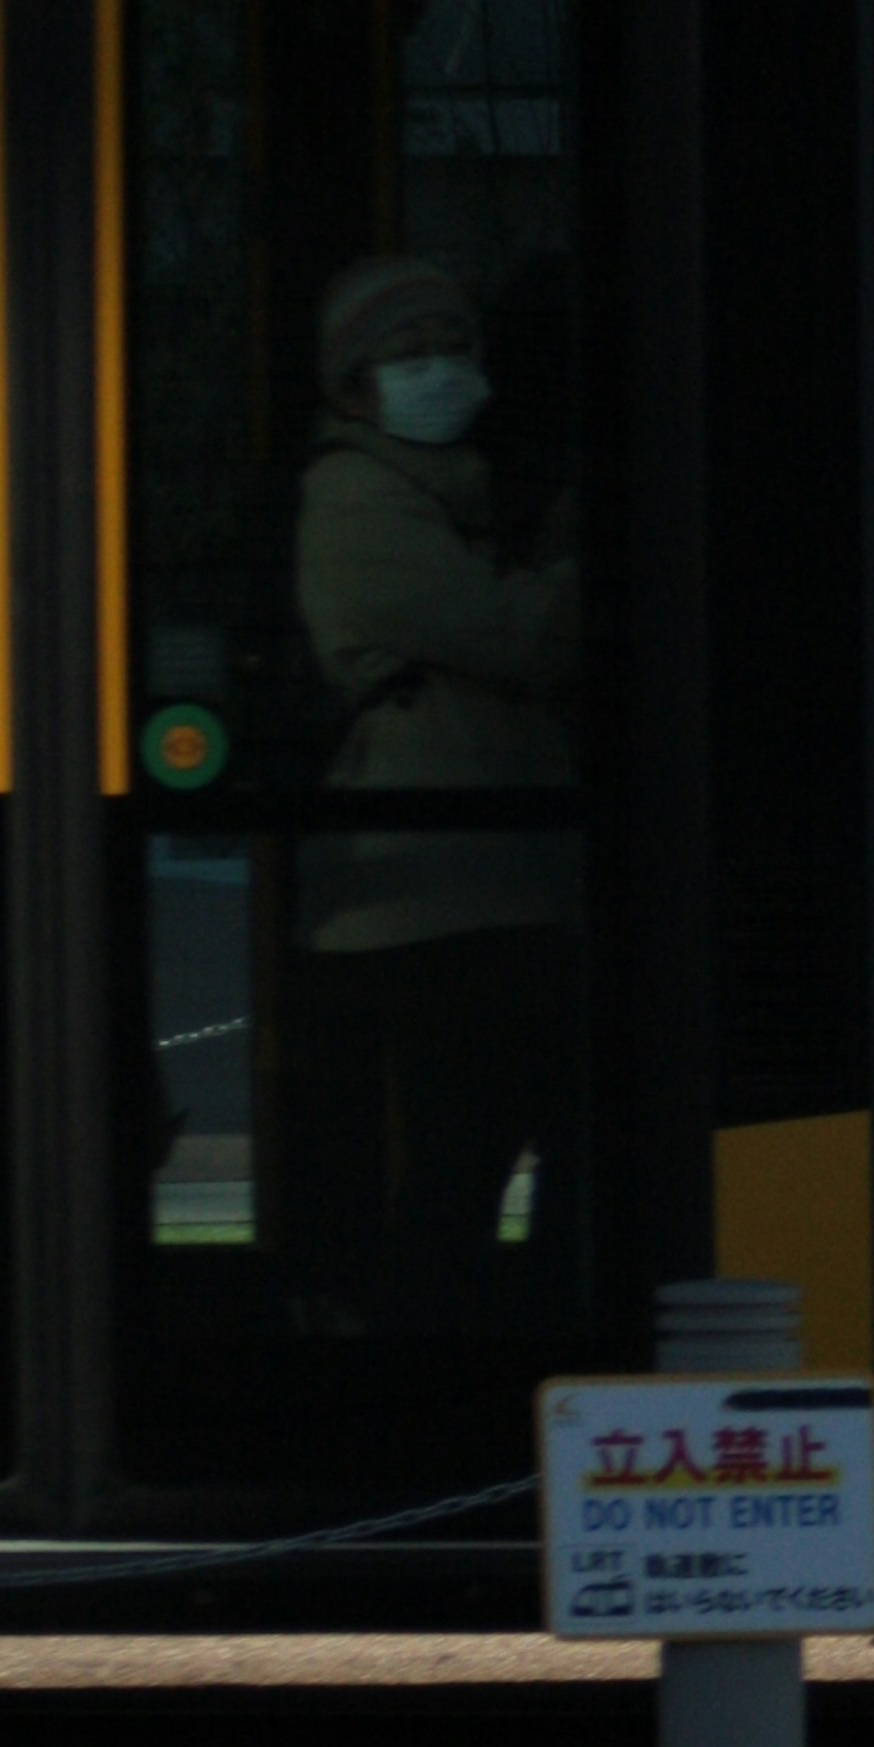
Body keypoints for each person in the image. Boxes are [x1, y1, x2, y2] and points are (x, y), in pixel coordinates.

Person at [291, 252, 584, 1332]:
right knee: (467, 1148)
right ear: (353, 390)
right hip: (435, 901)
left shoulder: (462, 498)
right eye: (408, 358)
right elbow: (518, 637)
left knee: (525, 1136)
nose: (439, 373)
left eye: (453, 349)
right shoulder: (354, 497)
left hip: (504, 884)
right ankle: (421, 1358)